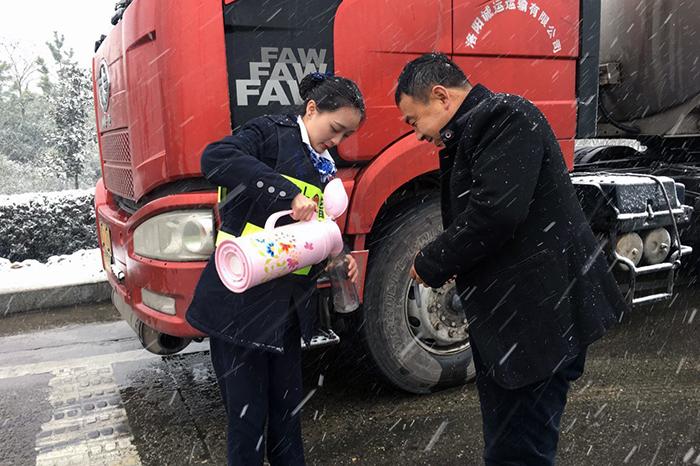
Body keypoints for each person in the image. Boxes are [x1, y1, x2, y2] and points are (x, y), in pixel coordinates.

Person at [395, 53, 627, 465]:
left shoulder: (504, 115)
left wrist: (432, 261)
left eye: (414, 120)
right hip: (515, 325)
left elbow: (494, 214)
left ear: (441, 96)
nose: (416, 134)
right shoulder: (475, 128)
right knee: (507, 446)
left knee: (521, 450)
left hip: (538, 320)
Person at [186, 72, 365, 466]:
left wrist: (336, 254)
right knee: (248, 424)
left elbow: (310, 235)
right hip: (240, 309)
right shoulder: (270, 133)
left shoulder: (324, 165)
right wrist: (287, 193)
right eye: (335, 129)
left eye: (345, 137)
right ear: (312, 109)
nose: (336, 142)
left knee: (288, 419)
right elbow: (215, 158)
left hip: (285, 314)